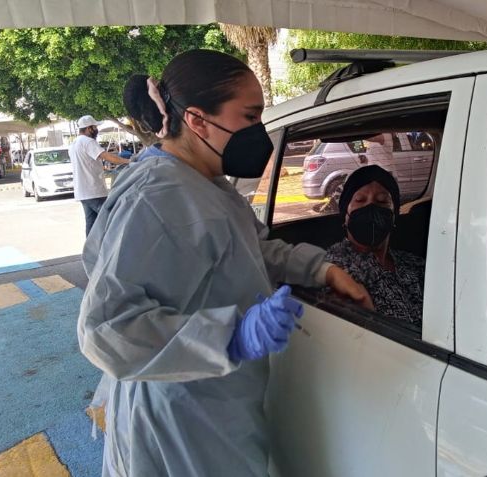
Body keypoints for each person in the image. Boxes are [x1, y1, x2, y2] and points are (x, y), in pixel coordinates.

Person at [77, 49, 373, 477]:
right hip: (178, 418)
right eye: (250, 117)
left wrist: (320, 269)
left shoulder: (205, 181)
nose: (260, 132)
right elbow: (106, 328)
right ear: (197, 120)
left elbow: (249, 247)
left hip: (219, 403)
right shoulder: (157, 195)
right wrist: (233, 335)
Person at [325, 165, 425, 327]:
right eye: (360, 200)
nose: (370, 207)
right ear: (345, 216)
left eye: (382, 201)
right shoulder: (337, 269)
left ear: (394, 216)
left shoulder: (414, 264)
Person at [69, 114, 130, 236]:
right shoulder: (88, 142)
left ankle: (91, 252)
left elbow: (86, 164)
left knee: (92, 224)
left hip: (82, 192)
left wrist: (102, 167)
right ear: (89, 128)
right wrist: (129, 162)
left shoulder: (74, 144)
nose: (97, 130)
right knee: (111, 217)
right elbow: (108, 156)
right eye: (95, 127)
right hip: (93, 190)